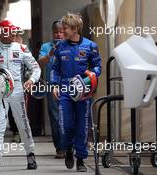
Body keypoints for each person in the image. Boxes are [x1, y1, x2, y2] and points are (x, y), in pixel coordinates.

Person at [0, 20, 41, 172]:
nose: (13, 34)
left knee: (23, 123)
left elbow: (36, 68)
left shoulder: (22, 48)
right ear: (1, 33)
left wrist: (31, 80)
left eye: (13, 31)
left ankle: (30, 154)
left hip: (18, 90)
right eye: (9, 31)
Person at [51, 13, 101, 172]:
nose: (62, 31)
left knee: (82, 126)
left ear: (74, 29)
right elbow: (55, 68)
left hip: (83, 91)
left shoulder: (91, 46)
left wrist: (88, 80)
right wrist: (54, 85)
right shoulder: (60, 46)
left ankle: (80, 158)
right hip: (65, 90)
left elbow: (97, 68)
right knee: (65, 124)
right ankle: (67, 150)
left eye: (65, 28)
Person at [38, 21, 65, 159]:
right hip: (51, 87)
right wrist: (50, 54)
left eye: (61, 32)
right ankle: (60, 148)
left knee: (68, 116)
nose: (59, 35)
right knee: (55, 117)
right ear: (52, 32)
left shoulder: (70, 45)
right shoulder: (46, 47)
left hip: (68, 86)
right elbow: (39, 64)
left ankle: (70, 146)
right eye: (56, 32)